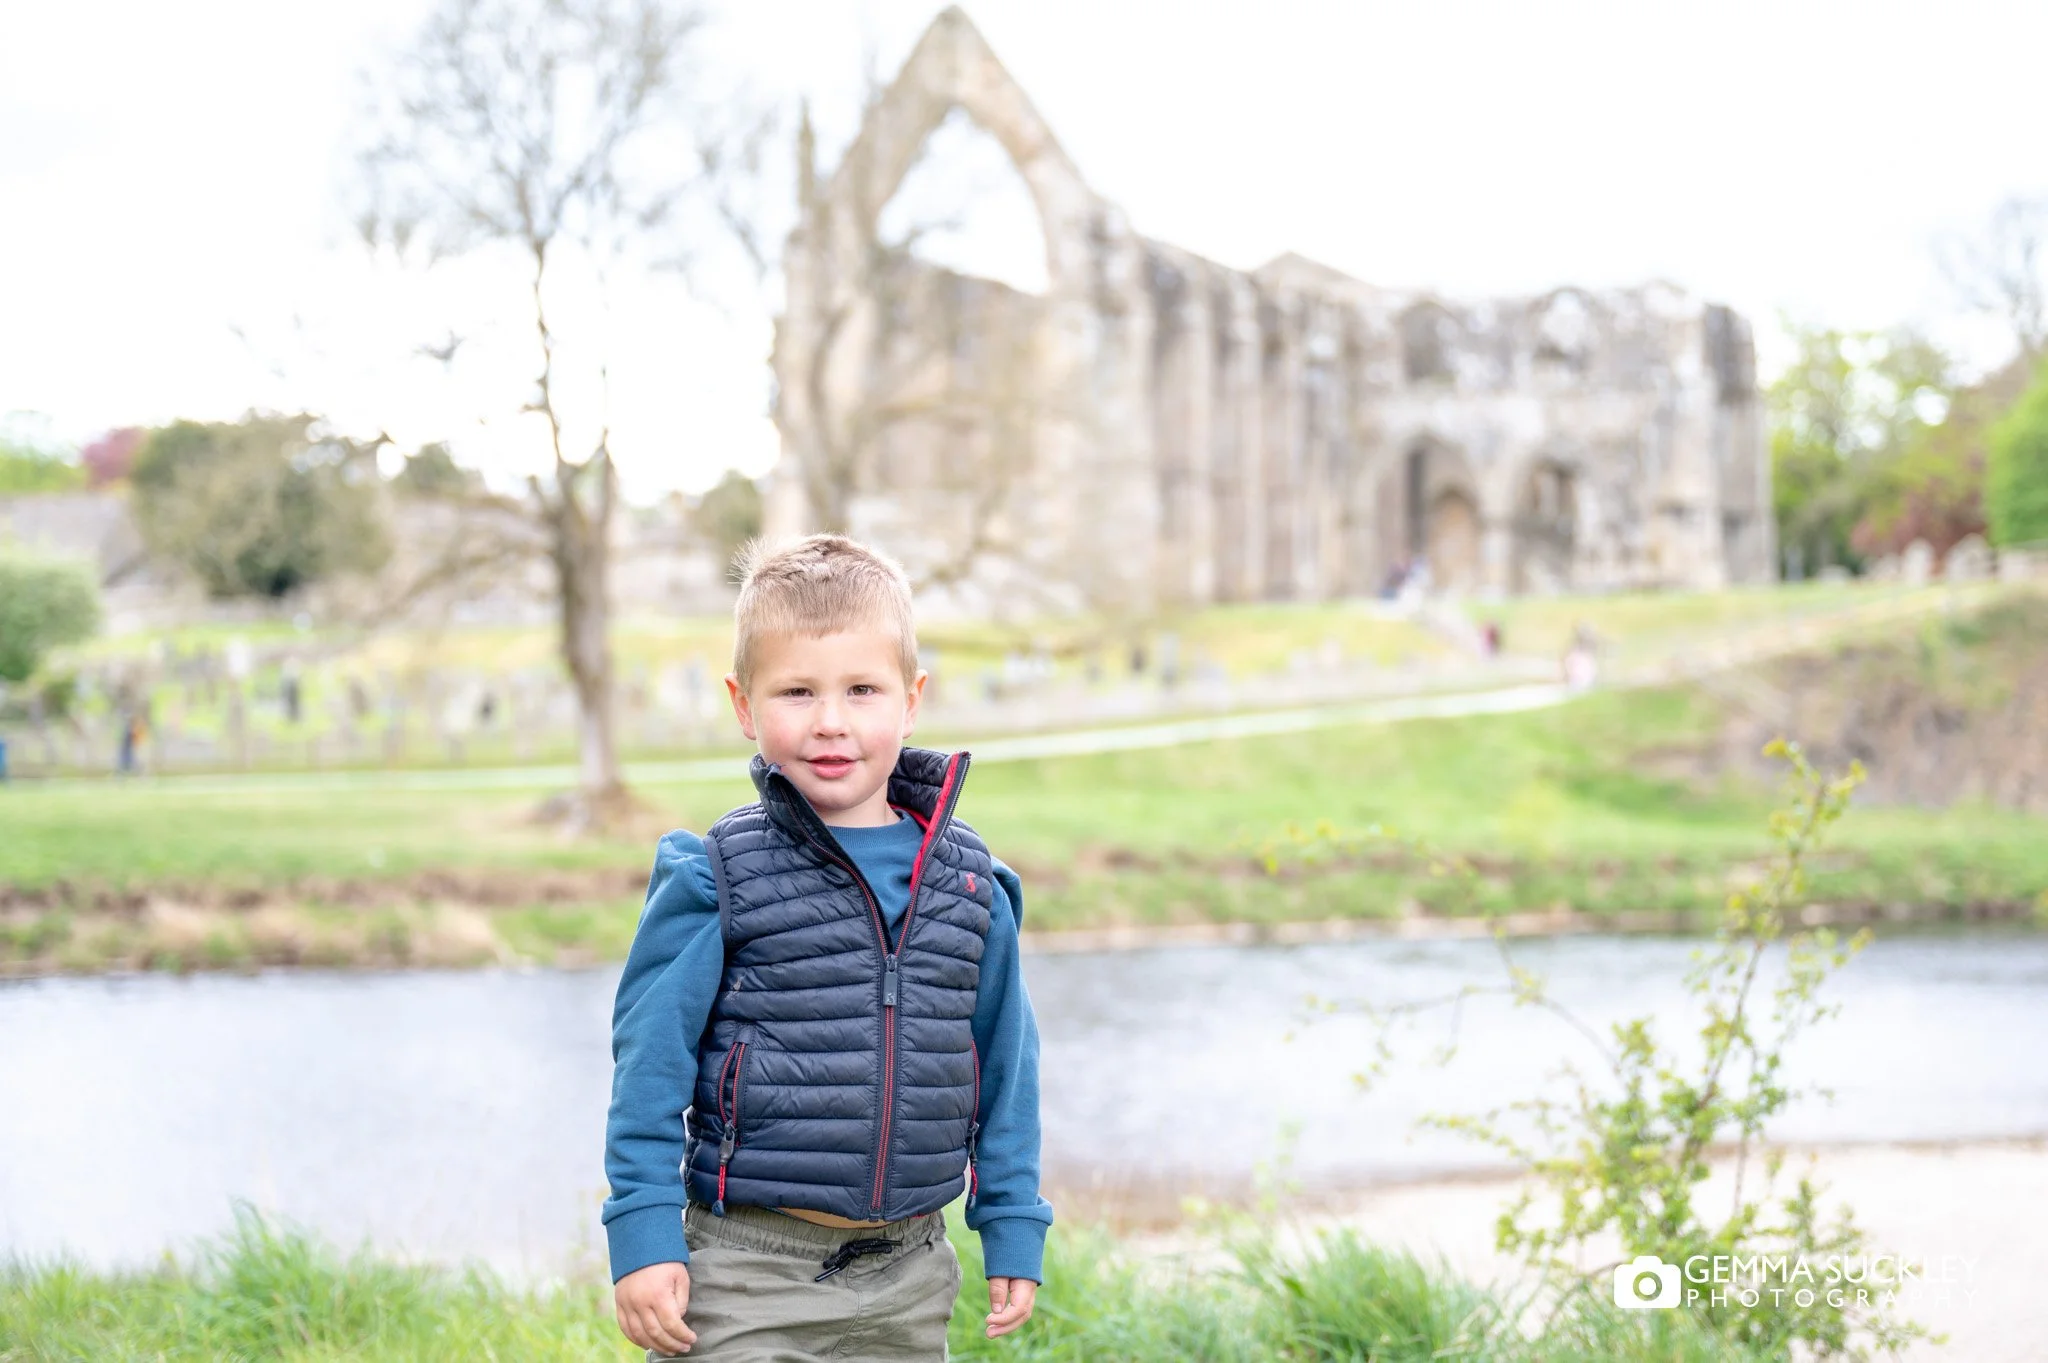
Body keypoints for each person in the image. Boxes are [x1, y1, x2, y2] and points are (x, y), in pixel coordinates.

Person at [604, 533, 1053, 1361]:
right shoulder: (715, 877)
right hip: (747, 1268)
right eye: (798, 691)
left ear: (911, 699)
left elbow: (1006, 1067)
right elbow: (648, 1062)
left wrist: (1013, 1218)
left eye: (862, 689)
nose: (831, 722)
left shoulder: (970, 885)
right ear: (744, 705)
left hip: (909, 1270)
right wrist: (642, 1228)